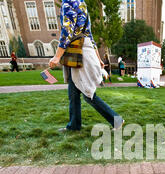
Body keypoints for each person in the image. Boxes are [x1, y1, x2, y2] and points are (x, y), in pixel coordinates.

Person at [49, 0, 124, 132]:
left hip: (80, 53)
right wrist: (98, 58)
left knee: (88, 93)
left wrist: (57, 56)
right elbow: (90, 35)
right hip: (81, 52)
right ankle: (74, 126)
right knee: (73, 93)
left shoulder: (69, 3)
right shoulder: (81, 3)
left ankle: (116, 120)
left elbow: (67, 31)